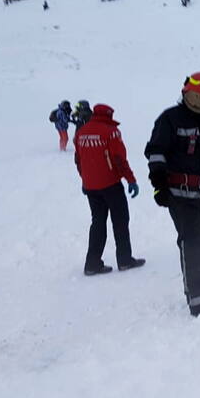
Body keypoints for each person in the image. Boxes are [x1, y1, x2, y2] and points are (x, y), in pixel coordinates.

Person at [145, 71, 200, 317]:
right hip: (180, 194)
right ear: (196, 96)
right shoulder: (169, 119)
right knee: (192, 243)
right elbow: (156, 152)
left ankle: (198, 286)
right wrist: (158, 184)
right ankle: (199, 300)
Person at [74, 104, 144, 275]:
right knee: (120, 221)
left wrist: (85, 180)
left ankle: (92, 263)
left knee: (98, 222)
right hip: (111, 184)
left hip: (91, 187)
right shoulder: (110, 132)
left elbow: (78, 160)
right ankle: (125, 259)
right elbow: (119, 158)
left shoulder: (81, 132)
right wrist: (131, 180)